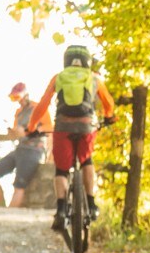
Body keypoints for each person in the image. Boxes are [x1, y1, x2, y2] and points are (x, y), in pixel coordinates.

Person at [27, 44, 116, 231]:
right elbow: (108, 103)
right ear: (87, 61)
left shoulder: (58, 78)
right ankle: (91, 204)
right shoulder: (94, 78)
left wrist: (32, 127)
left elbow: (43, 104)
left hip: (63, 126)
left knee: (61, 169)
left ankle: (60, 209)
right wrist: (109, 117)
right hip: (86, 126)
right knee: (87, 160)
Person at [0, 82, 51, 208]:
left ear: (25, 95)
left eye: (18, 98)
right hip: (19, 149)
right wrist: (13, 133)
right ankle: (3, 208)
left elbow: (49, 129)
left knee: (19, 187)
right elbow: (17, 133)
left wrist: (27, 132)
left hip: (33, 151)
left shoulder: (39, 108)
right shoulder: (19, 112)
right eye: (14, 98)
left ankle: (9, 214)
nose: (18, 101)